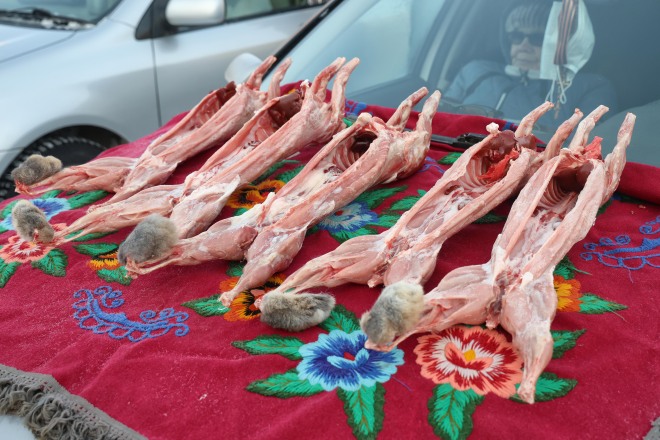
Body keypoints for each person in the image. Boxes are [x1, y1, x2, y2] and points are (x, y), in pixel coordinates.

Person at [442, 1, 618, 132]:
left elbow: (582, 147)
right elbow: (442, 119)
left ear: (561, 44)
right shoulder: (475, 71)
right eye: (516, 37)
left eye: (537, 39)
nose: (524, 46)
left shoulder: (589, 87)